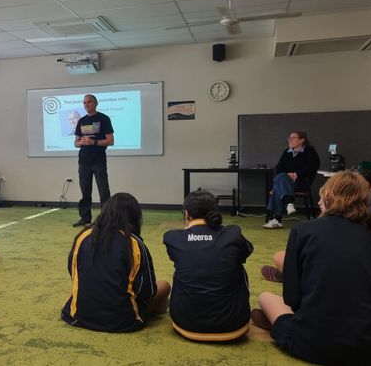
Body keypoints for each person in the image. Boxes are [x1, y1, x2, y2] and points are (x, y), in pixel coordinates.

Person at [252, 171, 371, 366]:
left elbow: (292, 300)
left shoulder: (302, 231)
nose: (317, 202)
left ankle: (282, 323)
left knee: (265, 297)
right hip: (369, 352)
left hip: (312, 345)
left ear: (329, 197)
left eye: (321, 196)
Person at [61, 193, 169, 332]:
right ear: (134, 217)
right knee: (165, 286)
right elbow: (147, 291)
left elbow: (73, 271)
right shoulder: (134, 242)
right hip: (123, 322)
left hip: (79, 316)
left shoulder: (83, 236)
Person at [163, 190, 253, 339]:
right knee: (237, 264)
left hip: (185, 323)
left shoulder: (173, 238)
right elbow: (247, 252)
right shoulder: (233, 234)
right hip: (234, 325)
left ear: (186, 214)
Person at [263, 130, 320, 229]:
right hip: (286, 182)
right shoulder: (287, 152)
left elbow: (313, 166)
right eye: (289, 138)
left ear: (302, 140)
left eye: (293, 138)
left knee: (278, 186)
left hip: (301, 182)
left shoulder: (309, 151)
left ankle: (278, 218)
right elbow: (279, 168)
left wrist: (296, 174)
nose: (290, 140)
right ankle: (288, 203)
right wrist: (287, 175)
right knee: (281, 178)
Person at [73, 94, 114, 228]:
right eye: (84, 103)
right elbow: (76, 143)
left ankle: (107, 219)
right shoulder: (81, 121)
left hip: (98, 160)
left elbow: (110, 141)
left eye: (89, 102)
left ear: (96, 103)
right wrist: (81, 142)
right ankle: (85, 218)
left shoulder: (103, 118)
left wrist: (93, 142)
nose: (86, 105)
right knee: (85, 191)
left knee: (103, 191)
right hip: (83, 161)